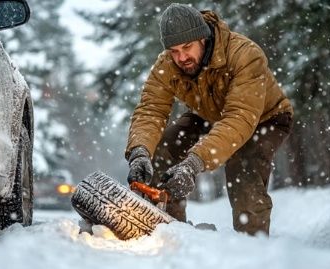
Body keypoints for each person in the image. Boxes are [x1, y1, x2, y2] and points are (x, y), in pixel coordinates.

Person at [125, 3, 293, 236]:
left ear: (203, 38)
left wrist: (194, 163)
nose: (181, 57)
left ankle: (253, 242)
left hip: (264, 118)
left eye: (187, 47)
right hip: (206, 115)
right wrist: (139, 151)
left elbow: (239, 118)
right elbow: (150, 110)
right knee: (161, 151)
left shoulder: (245, 54)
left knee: (243, 164)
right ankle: (167, 230)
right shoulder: (166, 65)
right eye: (173, 51)